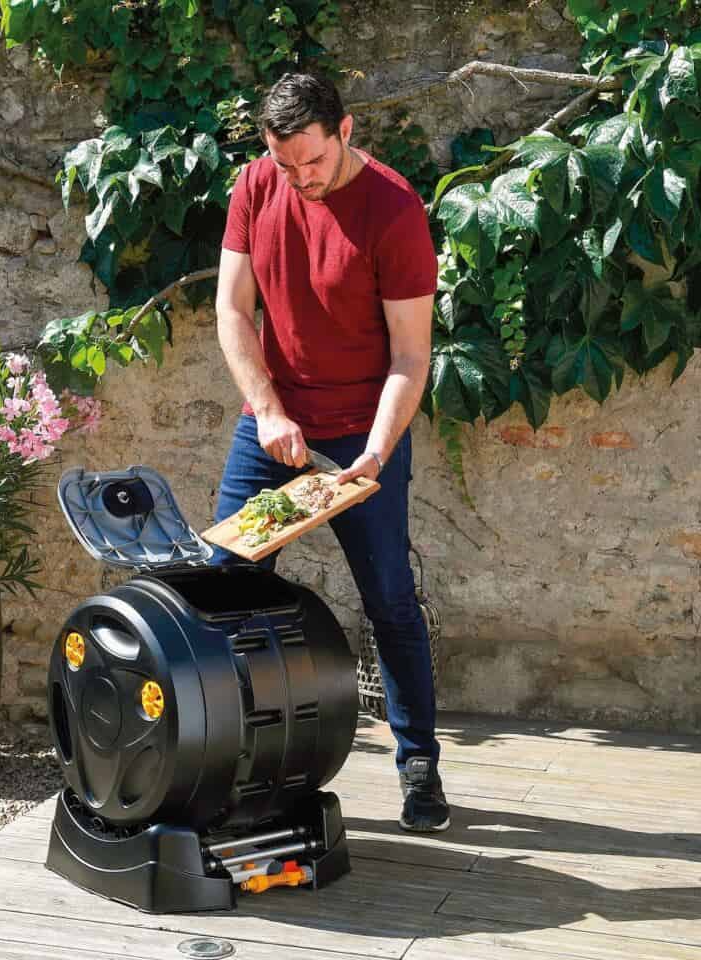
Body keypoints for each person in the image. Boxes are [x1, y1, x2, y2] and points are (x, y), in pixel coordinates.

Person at [211, 71, 447, 832]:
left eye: (311, 161)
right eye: (286, 164)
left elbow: (411, 357)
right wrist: (271, 412)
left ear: (345, 132)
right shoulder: (256, 185)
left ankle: (419, 766)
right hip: (273, 422)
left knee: (389, 601)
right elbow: (231, 310)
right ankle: (225, 762)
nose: (300, 178)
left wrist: (374, 456)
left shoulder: (395, 209)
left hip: (362, 432)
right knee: (220, 591)